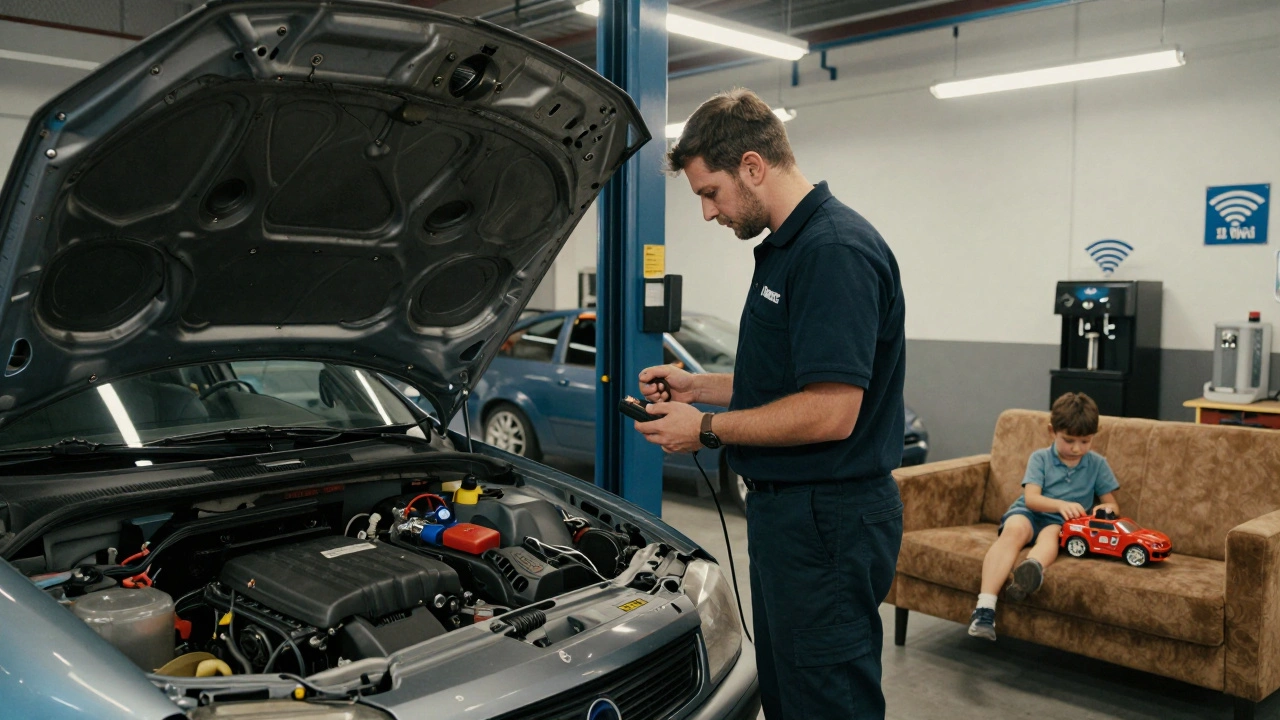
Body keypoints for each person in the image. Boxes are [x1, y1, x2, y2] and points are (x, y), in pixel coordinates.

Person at [632, 88, 906, 720]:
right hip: (795, 519)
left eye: (710, 192)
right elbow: (787, 383)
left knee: (826, 699)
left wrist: (703, 428)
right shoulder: (787, 249)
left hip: (827, 521)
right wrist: (698, 387)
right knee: (788, 693)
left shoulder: (832, 251)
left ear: (753, 167)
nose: (707, 213)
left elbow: (831, 411)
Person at [968, 392, 1120, 641]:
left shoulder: (1098, 464)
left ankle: (1029, 572)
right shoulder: (1040, 458)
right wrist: (1061, 504)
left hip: (1061, 524)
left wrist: (1104, 511)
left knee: (1051, 537)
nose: (1076, 448)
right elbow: (1031, 499)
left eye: (1085, 441)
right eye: (1069, 440)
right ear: (1052, 431)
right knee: (1014, 531)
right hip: (1030, 513)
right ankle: (985, 608)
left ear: (1094, 436)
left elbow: (1112, 504)